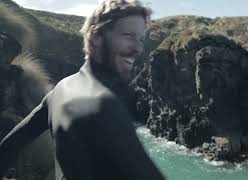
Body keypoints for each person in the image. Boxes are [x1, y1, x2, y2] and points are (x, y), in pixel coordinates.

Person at [0, 0, 165, 179]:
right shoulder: (103, 105)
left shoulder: (59, 91)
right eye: (128, 36)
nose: (138, 48)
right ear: (96, 37)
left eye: (140, 39)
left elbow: (10, 146)